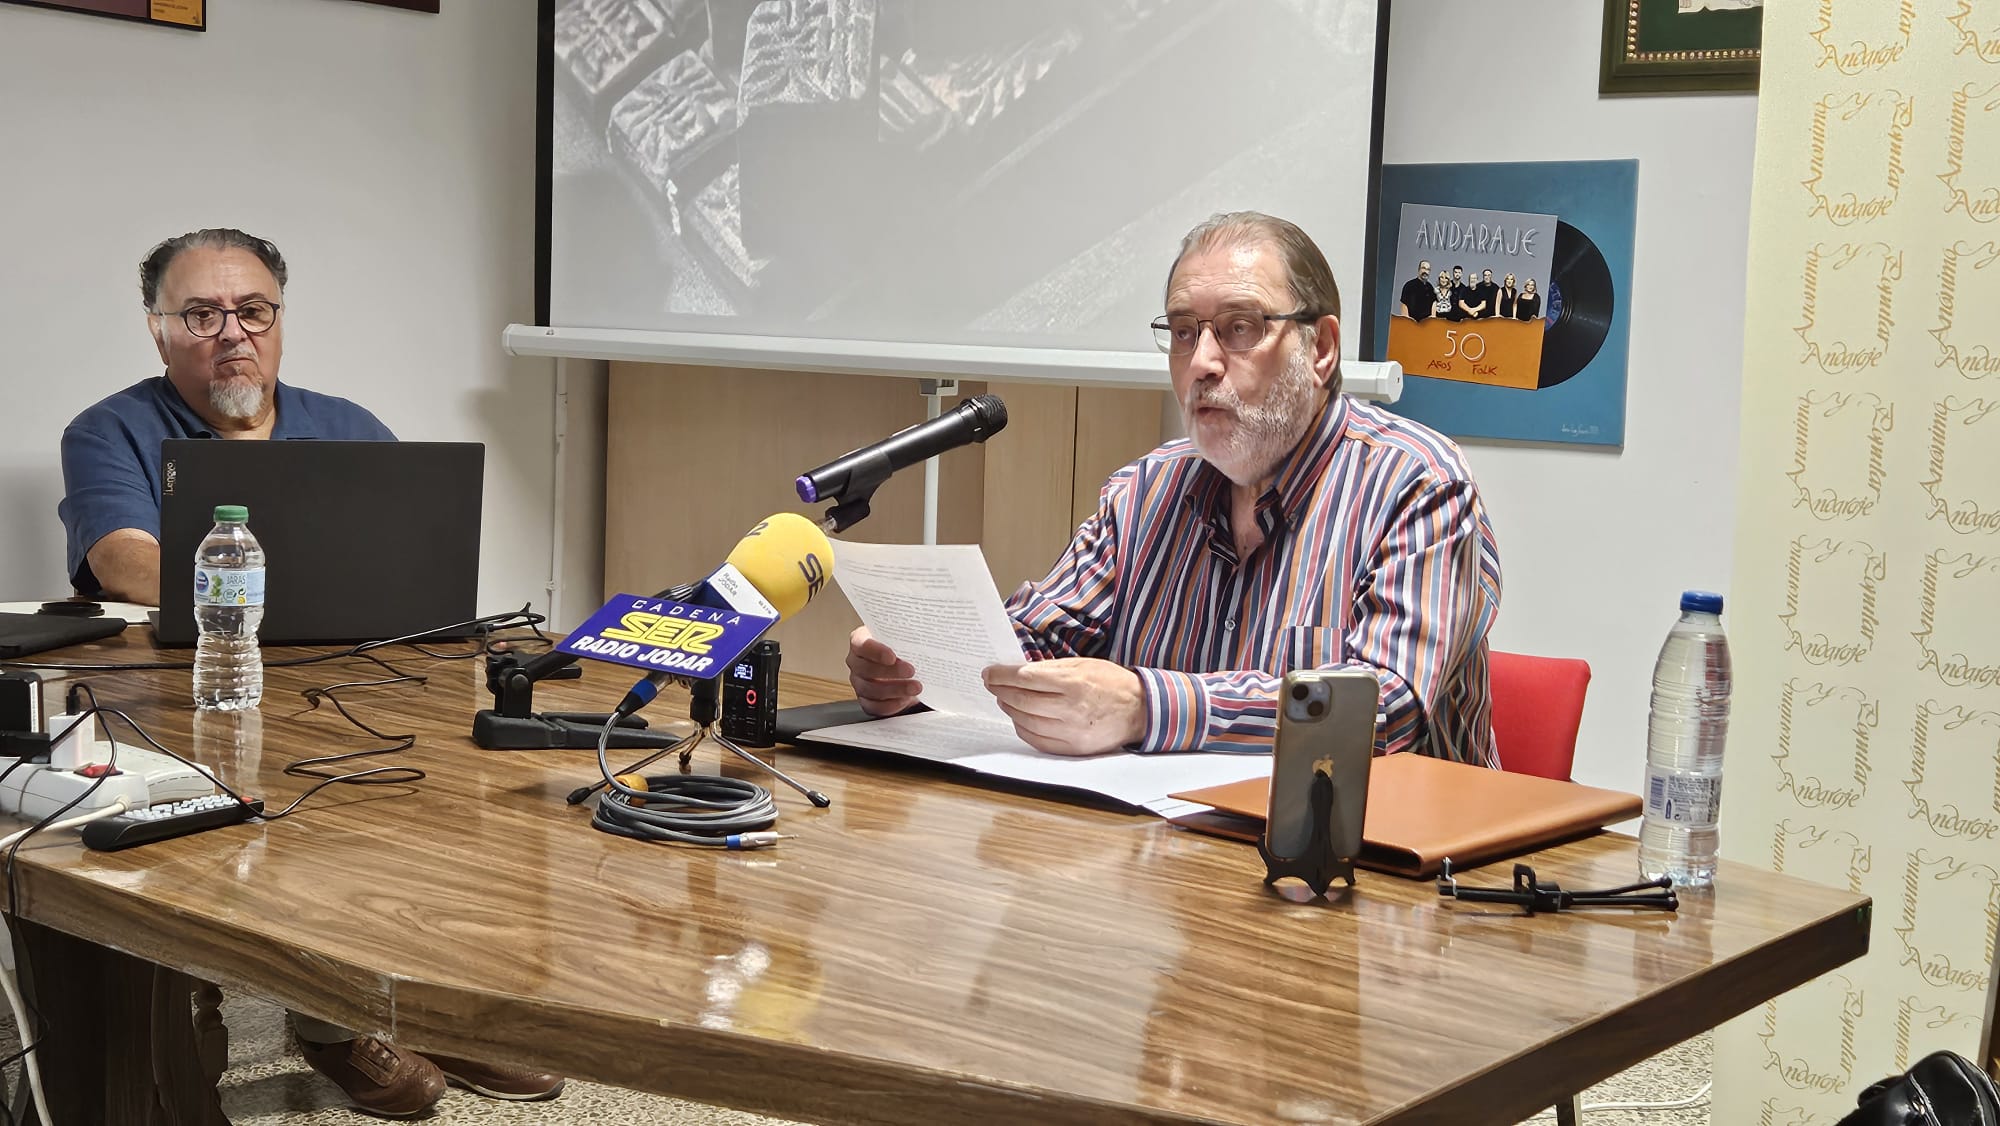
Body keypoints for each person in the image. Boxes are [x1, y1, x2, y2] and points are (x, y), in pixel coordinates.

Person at [55, 229, 565, 1117]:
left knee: (449, 791)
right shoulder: (111, 429)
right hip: (196, 695)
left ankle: (430, 1005)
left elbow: (416, 555)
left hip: (358, 681)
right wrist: (305, 575)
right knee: (289, 804)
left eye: (252, 310)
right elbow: (123, 562)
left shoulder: (347, 425)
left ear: (279, 319)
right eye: (201, 314)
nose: (232, 332)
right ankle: (332, 1024)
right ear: (158, 328)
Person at [848, 211, 1501, 766]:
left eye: (1240, 327)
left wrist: (1146, 707)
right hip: (1170, 847)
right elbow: (1045, 637)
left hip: (1381, 858)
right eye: (1184, 332)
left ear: (1321, 349)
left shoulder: (1416, 482)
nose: (1203, 363)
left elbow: (1385, 708)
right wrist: (925, 666)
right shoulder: (1144, 491)